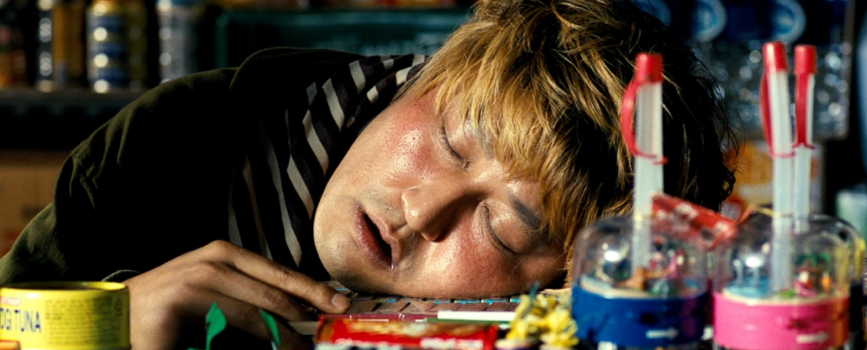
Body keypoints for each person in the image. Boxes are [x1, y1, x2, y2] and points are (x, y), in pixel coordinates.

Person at [0, 0, 736, 348]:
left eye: (505, 229)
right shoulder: (182, 140)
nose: (423, 211)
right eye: (450, 143)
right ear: (421, 78)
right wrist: (99, 328)